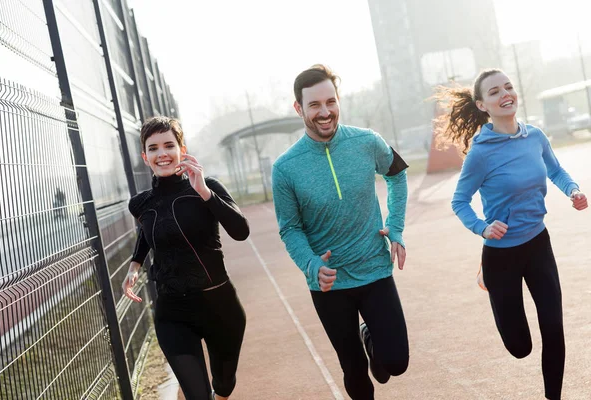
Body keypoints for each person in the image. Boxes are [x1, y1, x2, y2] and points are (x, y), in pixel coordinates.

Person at [437, 68, 588, 400]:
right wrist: (483, 227)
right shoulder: (480, 152)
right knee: (520, 347)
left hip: (538, 245)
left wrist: (573, 189)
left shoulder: (534, 136)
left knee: (554, 329)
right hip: (501, 255)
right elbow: (460, 201)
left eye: (508, 87)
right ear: (482, 105)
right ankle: (486, 277)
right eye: (494, 92)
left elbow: (555, 170)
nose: (505, 94)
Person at [271, 64, 410, 399]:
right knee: (353, 370)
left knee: (396, 362)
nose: (325, 112)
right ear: (298, 109)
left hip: (374, 269)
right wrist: (311, 265)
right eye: (315, 105)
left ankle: (371, 339)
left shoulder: (367, 141)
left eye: (330, 102)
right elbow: (289, 228)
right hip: (329, 283)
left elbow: (397, 176)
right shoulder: (285, 168)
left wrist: (395, 227)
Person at [122, 116, 250, 400]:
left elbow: (241, 231)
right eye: (153, 148)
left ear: (182, 149)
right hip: (173, 313)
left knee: (224, 384)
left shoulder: (208, 187)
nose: (162, 154)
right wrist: (135, 264)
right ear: (145, 156)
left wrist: (204, 191)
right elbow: (150, 231)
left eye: (169, 145)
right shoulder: (140, 203)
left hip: (220, 307)